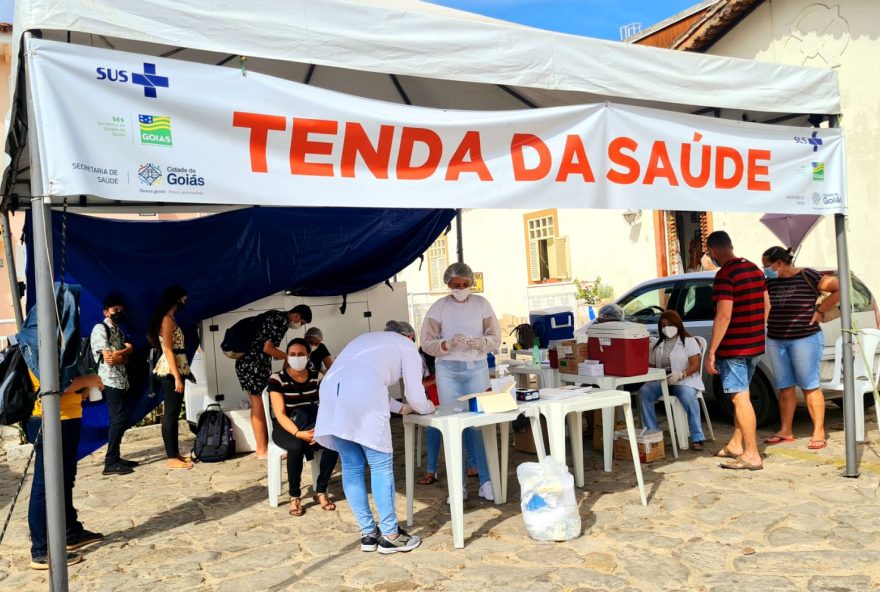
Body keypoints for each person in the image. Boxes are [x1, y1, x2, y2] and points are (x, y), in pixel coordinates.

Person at [314, 321, 435, 554]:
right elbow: (415, 394)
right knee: (380, 466)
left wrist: (400, 409)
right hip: (361, 394)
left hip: (331, 393)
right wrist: (427, 407)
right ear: (409, 336)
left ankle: (368, 534)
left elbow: (362, 380)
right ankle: (391, 535)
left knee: (352, 465)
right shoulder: (407, 346)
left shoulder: (366, 339)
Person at [419, 262, 501, 500]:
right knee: (452, 425)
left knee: (479, 424)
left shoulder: (481, 305)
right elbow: (427, 343)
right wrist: (447, 344)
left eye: (465, 285)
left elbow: (495, 336)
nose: (461, 288)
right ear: (448, 285)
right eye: (456, 285)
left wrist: (483, 344)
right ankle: (458, 485)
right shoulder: (439, 308)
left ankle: (486, 480)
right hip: (448, 371)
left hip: (477, 369)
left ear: (471, 283)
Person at [762, 246, 839, 450]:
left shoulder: (807, 274)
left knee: (809, 385)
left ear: (779, 263)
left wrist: (821, 311)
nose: (765, 269)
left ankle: (819, 432)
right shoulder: (770, 281)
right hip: (776, 339)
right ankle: (786, 431)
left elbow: (839, 288)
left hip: (805, 339)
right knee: (785, 386)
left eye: (767, 265)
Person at [26, 370, 105, 569]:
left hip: (66, 416)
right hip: (51, 419)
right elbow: (54, 384)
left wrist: (82, 388)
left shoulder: (54, 340)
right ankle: (41, 549)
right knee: (44, 485)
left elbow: (64, 382)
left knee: (66, 478)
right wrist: (90, 380)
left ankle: (71, 533)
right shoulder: (38, 341)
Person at [704, 231, 767, 470]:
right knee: (744, 397)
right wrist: (757, 330)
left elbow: (724, 314)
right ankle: (736, 444)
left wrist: (712, 350)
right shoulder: (753, 269)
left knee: (740, 399)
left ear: (712, 250)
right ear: (731, 245)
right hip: (754, 344)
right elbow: (766, 304)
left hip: (734, 348)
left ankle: (752, 454)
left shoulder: (725, 274)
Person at [268, 338, 339, 516]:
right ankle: (294, 496)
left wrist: (318, 430)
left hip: (312, 424)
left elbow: (326, 406)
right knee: (296, 446)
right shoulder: (277, 379)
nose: (296, 357)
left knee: (334, 442)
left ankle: (321, 490)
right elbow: (280, 414)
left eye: (301, 354)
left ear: (308, 356)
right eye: (292, 354)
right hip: (286, 428)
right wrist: (299, 433)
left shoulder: (317, 377)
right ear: (287, 356)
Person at [235, 304, 313, 459]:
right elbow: (268, 348)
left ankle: (263, 446)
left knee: (261, 404)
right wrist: (289, 357)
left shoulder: (275, 315)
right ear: (297, 316)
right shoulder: (280, 322)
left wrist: (285, 357)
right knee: (258, 404)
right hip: (253, 365)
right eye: (302, 323)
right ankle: (262, 449)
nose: (299, 326)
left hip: (253, 364)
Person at [639, 310, 706, 450]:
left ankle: (697, 437)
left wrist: (681, 374)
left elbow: (695, 365)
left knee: (688, 396)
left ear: (677, 324)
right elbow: (651, 366)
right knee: (644, 392)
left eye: (669, 324)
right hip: (662, 380)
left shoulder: (689, 341)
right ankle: (654, 434)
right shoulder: (657, 344)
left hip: (684, 380)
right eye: (663, 325)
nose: (666, 328)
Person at [90, 293, 138, 475]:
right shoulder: (100, 328)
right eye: (115, 310)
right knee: (118, 419)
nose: (119, 313)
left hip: (121, 380)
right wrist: (128, 349)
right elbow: (110, 358)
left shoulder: (118, 330)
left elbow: (122, 359)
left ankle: (115, 457)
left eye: (121, 310)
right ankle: (110, 462)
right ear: (106, 311)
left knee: (120, 419)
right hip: (109, 380)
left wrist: (123, 354)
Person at [147, 285, 195, 469]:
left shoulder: (170, 318)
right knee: (171, 413)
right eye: (183, 298)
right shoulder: (167, 319)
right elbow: (167, 348)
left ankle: (174, 454)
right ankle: (171, 457)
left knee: (173, 413)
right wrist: (176, 376)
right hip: (170, 369)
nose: (185, 302)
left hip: (175, 368)